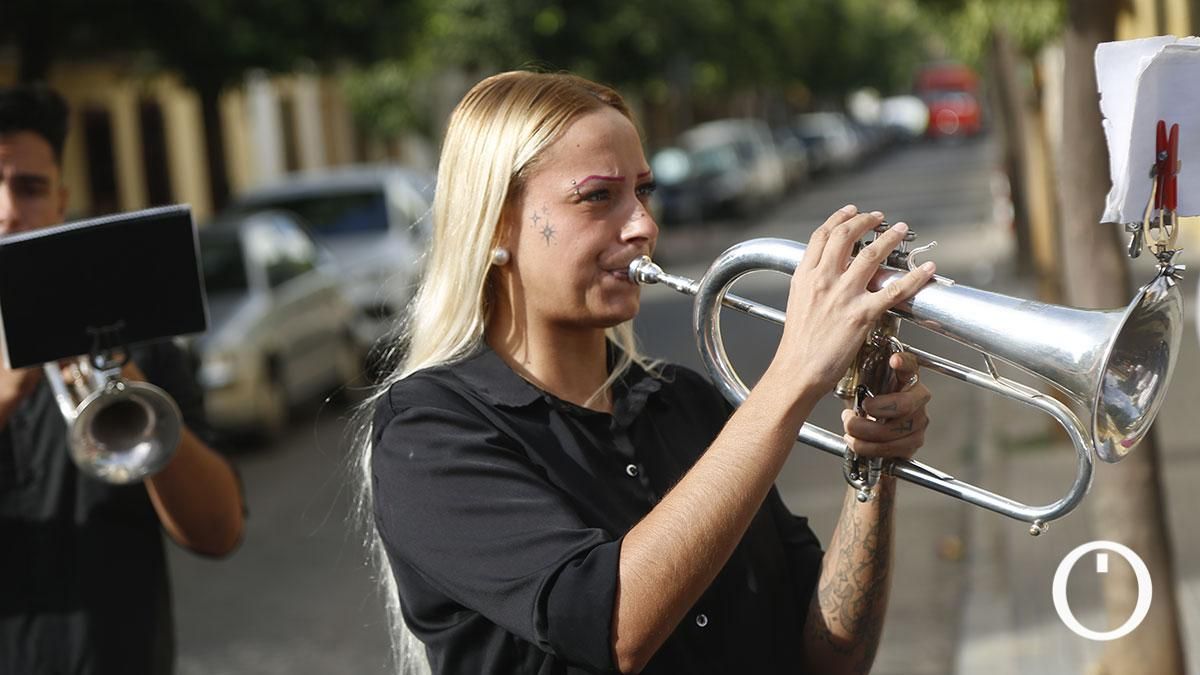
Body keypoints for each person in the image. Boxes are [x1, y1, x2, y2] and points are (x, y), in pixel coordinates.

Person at [360, 71, 936, 674]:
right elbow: (614, 628)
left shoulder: (686, 401)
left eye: (644, 191)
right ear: (498, 224)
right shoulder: (428, 433)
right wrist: (794, 375)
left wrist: (875, 466)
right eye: (597, 196)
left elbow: (833, 659)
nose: (644, 226)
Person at [0, 85, 246, 674]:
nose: (7, 210)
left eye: (29, 188)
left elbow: (218, 532)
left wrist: (124, 381)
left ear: (60, 200)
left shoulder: (142, 344)